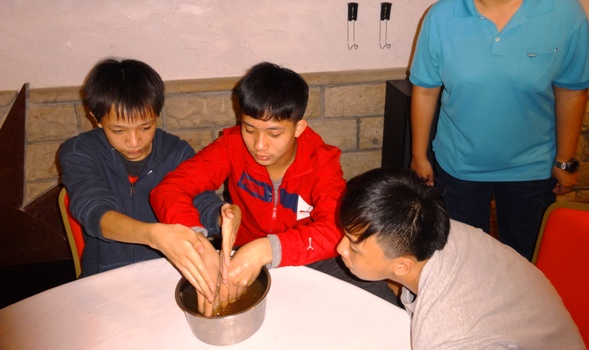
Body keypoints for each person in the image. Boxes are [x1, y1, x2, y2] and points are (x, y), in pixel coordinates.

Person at [150, 62, 399, 315]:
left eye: (274, 134)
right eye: (249, 129)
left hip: (307, 254)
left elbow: (335, 228)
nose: (259, 145)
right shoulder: (230, 146)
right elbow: (169, 190)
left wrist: (267, 248)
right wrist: (198, 244)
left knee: (381, 299)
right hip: (242, 256)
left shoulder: (321, 160)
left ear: (298, 128)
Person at [409, 0, 589, 261]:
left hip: (533, 168)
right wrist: (418, 156)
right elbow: (425, 89)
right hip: (460, 166)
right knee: (463, 258)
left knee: (526, 260)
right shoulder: (441, 15)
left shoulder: (564, 12)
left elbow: (571, 91)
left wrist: (565, 161)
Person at [337, 167, 584, 349]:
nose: (340, 248)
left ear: (403, 265)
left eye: (354, 247)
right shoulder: (429, 227)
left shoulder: (451, 333)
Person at [59, 58, 240, 294]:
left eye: (145, 127)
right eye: (119, 130)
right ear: (96, 118)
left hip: (168, 275)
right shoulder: (80, 152)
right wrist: (153, 235)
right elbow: (95, 212)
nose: (134, 142)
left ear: (156, 115)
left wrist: (223, 214)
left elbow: (200, 200)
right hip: (105, 280)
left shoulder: (176, 152)